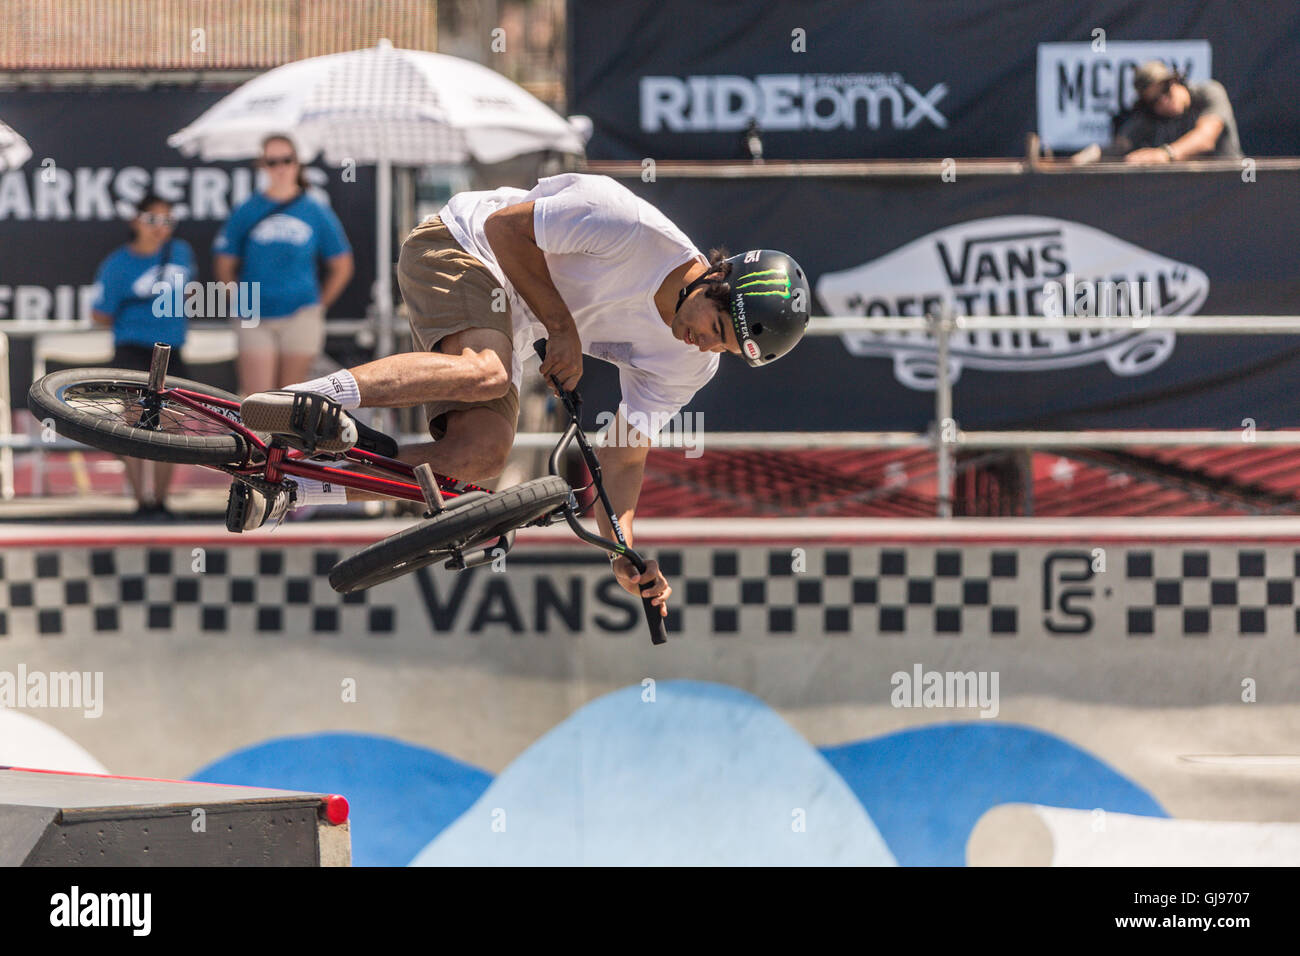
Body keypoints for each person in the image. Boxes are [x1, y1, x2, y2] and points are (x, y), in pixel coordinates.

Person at [230, 172, 811, 616]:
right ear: (715, 277)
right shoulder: (627, 225)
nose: (706, 345)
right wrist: (564, 329)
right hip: (459, 246)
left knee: (479, 460)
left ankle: (295, 488)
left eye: (726, 349)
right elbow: (505, 227)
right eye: (715, 327)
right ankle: (308, 396)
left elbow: (625, 455)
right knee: (485, 371)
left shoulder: (690, 364)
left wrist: (623, 553)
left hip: (515, 323)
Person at [213, 133, 354, 396]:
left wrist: (318, 305)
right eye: (272, 161)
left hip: (300, 312)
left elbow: (342, 264)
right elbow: (224, 261)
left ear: (297, 163)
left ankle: (284, 441)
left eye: (286, 160)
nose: (280, 168)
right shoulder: (247, 209)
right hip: (254, 314)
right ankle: (256, 440)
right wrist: (236, 297)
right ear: (262, 165)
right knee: (257, 399)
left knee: (291, 397)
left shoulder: (315, 209)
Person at [91, 193, 197, 517]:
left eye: (167, 221)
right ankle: (140, 501)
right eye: (153, 220)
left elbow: (190, 295)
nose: (160, 228)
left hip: (171, 349)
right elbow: (100, 314)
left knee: (172, 425)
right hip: (132, 349)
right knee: (134, 425)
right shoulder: (117, 263)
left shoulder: (181, 253)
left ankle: (162, 500)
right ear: (135, 221)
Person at [1112, 61, 1242, 163]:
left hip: (1229, 185)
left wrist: (1165, 154)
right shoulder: (1150, 117)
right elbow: (1121, 145)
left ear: (1175, 81)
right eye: (1154, 100)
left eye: (1165, 90)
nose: (1163, 100)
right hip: (1186, 190)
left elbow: (1205, 138)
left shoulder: (1209, 93)